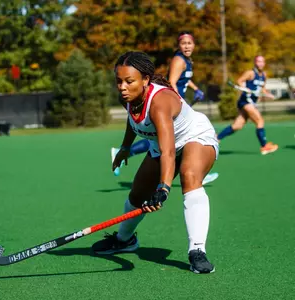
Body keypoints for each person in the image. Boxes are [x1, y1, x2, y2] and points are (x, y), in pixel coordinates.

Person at [91, 51, 217, 274]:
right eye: (118, 81)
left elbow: (169, 151)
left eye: (129, 81)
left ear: (145, 80)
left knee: (189, 176)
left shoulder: (160, 101)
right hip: (162, 144)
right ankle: (124, 240)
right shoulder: (127, 97)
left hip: (194, 136)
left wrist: (164, 188)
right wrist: (125, 148)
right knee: (137, 195)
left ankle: (197, 251)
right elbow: (133, 121)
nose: (122, 86)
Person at [112, 32, 218, 186]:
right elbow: (172, 81)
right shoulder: (178, 60)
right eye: (184, 43)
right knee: (156, 137)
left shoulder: (188, 62)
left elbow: (185, 80)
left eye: (190, 43)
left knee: (188, 174)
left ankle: (196, 167)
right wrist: (176, 100)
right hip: (171, 99)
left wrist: (194, 90)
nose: (122, 87)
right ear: (179, 45)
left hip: (179, 115)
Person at [216, 55, 278, 155]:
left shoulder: (264, 75)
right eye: (258, 61)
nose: (260, 63)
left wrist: (268, 94)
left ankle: (217, 138)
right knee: (259, 120)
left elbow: (262, 88)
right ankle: (264, 146)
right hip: (246, 101)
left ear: (264, 63)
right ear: (255, 62)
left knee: (237, 126)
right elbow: (239, 81)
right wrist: (246, 88)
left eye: (262, 61)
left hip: (251, 102)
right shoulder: (250, 73)